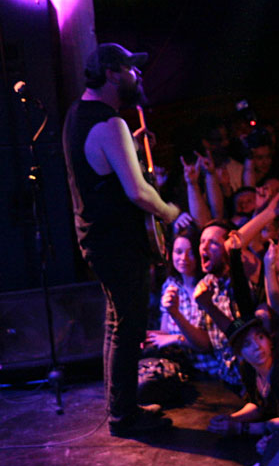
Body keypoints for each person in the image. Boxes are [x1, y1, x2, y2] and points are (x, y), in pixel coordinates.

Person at [62, 43, 190, 436]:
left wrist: (129, 144)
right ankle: (123, 416)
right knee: (128, 327)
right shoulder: (109, 123)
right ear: (112, 73)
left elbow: (101, 165)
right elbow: (137, 191)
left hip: (97, 239)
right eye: (131, 69)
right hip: (117, 242)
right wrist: (170, 212)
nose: (137, 76)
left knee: (117, 322)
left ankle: (120, 407)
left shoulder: (77, 115)